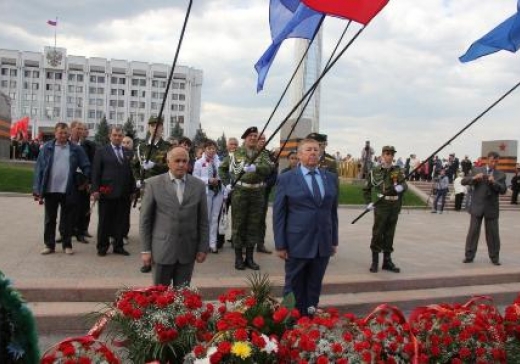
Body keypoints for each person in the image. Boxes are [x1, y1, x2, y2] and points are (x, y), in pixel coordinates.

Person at [273, 138, 338, 316]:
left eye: (316, 150)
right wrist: (280, 244)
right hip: (297, 242)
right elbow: (279, 213)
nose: (313, 153)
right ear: (300, 155)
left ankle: (309, 322)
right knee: (293, 287)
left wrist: (334, 240)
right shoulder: (287, 178)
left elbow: (332, 212)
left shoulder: (330, 178)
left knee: (314, 286)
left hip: (322, 243)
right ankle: (288, 323)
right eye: (308, 150)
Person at [140, 147, 209, 287]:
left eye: (185, 161)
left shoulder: (199, 186)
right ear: (168, 162)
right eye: (177, 161)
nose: (181, 164)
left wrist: (203, 248)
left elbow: (203, 221)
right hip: (162, 250)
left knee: (182, 297)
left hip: (187, 251)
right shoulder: (153, 184)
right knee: (159, 298)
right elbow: (145, 220)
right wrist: (146, 250)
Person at [33, 122, 90, 255]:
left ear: (69, 133)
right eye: (60, 133)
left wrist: (84, 178)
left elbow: (86, 165)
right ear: (55, 133)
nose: (63, 135)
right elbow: (39, 169)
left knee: (67, 219)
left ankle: (67, 244)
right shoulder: (47, 148)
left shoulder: (76, 149)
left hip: (69, 189)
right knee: (50, 219)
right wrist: (37, 188)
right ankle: (49, 245)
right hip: (50, 189)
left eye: (65, 133)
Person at [219, 126, 271, 270]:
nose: (253, 138)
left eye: (255, 136)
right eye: (251, 136)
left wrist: (257, 168)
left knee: (253, 225)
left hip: (257, 193)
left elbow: (269, 168)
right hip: (240, 193)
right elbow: (222, 169)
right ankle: (238, 258)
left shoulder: (263, 153)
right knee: (239, 225)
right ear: (245, 138)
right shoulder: (236, 153)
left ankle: (250, 258)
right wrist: (227, 184)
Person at [132, 117, 170, 272]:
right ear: (148, 128)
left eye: (159, 126)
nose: (155, 128)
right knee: (146, 222)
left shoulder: (167, 147)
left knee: (160, 223)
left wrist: (156, 166)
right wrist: (136, 179)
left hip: (162, 188)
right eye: (153, 125)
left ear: (162, 128)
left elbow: (171, 167)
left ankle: (160, 255)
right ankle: (147, 257)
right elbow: (134, 165)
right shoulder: (141, 147)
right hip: (146, 188)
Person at [91, 126, 135, 257]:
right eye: (115, 135)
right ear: (110, 136)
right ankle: (102, 246)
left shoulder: (127, 152)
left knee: (120, 221)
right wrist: (95, 189)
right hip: (107, 192)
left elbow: (131, 173)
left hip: (123, 193)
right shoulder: (102, 151)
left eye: (120, 135)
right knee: (105, 221)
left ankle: (118, 246)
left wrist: (133, 190)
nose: (117, 137)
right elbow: (96, 172)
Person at [363, 145, 407, 273]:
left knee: (390, 233)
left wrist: (398, 188)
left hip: (394, 206)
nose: (389, 156)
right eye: (387, 154)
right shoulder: (375, 171)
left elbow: (404, 185)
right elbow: (366, 189)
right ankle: (375, 261)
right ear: (382, 155)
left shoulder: (397, 171)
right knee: (378, 232)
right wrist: (368, 203)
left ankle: (387, 261)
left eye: (392, 154)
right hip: (381, 205)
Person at [461, 151, 507, 265]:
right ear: (487, 160)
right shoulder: (477, 170)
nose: (494, 163)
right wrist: (474, 179)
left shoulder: (500, 174)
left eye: (496, 162)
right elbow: (463, 181)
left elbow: (503, 190)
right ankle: (469, 256)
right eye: (492, 161)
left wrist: (494, 182)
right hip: (477, 207)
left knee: (493, 234)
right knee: (473, 232)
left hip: (491, 209)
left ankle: (495, 258)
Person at [193, 139, 224, 254]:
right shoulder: (199, 162)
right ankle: (203, 243)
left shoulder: (219, 162)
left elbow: (224, 176)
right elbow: (195, 178)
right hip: (206, 192)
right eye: (209, 148)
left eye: (213, 148)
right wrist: (208, 180)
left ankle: (213, 244)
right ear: (204, 149)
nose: (211, 150)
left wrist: (220, 183)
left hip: (218, 192)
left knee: (215, 218)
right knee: (206, 218)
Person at [121, 136, 135, 244]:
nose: (125, 144)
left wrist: (134, 190)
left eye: (128, 142)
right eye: (123, 142)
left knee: (125, 213)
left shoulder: (135, 156)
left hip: (128, 189)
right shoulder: (117, 154)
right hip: (116, 188)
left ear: (132, 144)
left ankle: (123, 234)